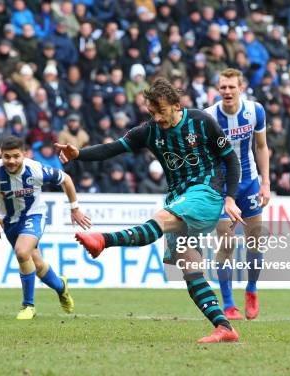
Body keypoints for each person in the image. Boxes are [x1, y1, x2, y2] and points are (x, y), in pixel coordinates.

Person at [56, 78, 243, 343]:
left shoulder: (201, 122)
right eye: (152, 113)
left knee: (161, 219)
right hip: (178, 197)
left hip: (205, 194)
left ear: (177, 106)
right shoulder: (149, 131)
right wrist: (79, 155)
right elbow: (112, 148)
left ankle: (103, 241)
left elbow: (230, 160)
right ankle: (224, 327)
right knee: (189, 266)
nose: (157, 118)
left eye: (162, 112)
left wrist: (231, 199)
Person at [0, 136, 90, 319]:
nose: (11, 161)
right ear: (0, 155)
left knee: (21, 251)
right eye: (6, 156)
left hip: (34, 215)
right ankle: (61, 287)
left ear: (24, 155)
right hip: (9, 221)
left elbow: (66, 180)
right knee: (38, 265)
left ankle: (28, 306)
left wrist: (75, 209)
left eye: (16, 156)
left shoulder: (36, 169)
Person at [204, 68, 270, 321]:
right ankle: (229, 303)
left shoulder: (255, 111)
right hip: (220, 188)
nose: (227, 92)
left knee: (255, 240)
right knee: (227, 241)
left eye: (232, 87)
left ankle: (252, 289)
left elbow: (262, 147)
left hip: (250, 182)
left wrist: (265, 183)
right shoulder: (209, 117)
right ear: (218, 89)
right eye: (223, 87)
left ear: (241, 88)